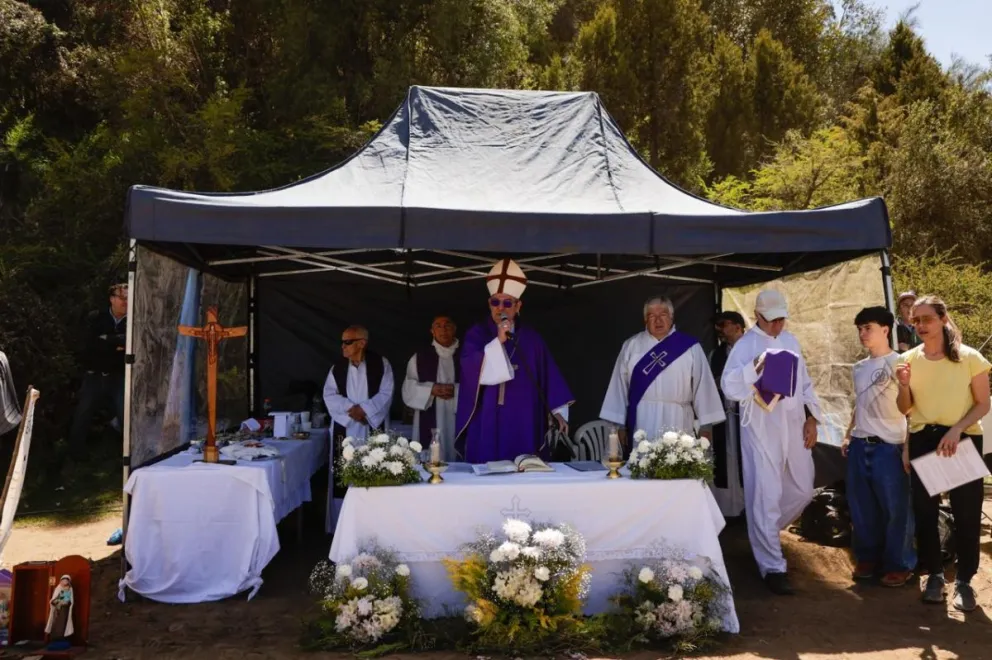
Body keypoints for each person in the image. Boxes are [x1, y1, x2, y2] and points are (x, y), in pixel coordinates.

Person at [721, 289, 822, 596]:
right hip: (761, 428)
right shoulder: (745, 345)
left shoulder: (790, 341)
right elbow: (728, 386)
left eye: (782, 318)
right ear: (758, 316)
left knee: (803, 488)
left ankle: (762, 530)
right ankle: (772, 566)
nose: (779, 325)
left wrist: (812, 418)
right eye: (773, 319)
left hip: (792, 424)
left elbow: (804, 382)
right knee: (765, 493)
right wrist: (754, 368)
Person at [896, 295, 990, 611]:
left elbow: (983, 404)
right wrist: (903, 386)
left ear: (943, 319)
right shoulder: (907, 359)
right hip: (923, 440)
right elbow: (905, 409)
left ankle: (964, 582)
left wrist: (955, 430)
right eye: (916, 319)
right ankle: (934, 576)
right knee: (925, 513)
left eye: (927, 319)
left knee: (966, 514)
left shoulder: (969, 358)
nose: (920, 325)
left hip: (960, 439)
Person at [454, 258, 572, 463]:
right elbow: (469, 369)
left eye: (507, 302)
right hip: (487, 418)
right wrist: (498, 342)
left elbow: (549, 377)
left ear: (518, 306)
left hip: (524, 419)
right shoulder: (477, 334)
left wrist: (558, 412)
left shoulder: (532, 339)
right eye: (495, 302)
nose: (500, 308)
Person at [841, 306, 915, 587]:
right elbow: (858, 404)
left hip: (891, 446)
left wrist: (907, 447)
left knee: (896, 509)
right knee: (861, 507)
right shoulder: (858, 368)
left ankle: (899, 563)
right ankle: (867, 558)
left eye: (867, 328)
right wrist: (848, 435)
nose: (862, 334)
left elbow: (912, 410)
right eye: (859, 328)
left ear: (886, 329)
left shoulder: (903, 362)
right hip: (860, 444)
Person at [599, 296, 725, 454]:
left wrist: (705, 426)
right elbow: (619, 387)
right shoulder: (632, 346)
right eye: (652, 316)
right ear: (645, 319)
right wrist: (620, 425)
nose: (658, 320)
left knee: (677, 466)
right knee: (643, 465)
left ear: (671, 317)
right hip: (642, 419)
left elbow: (703, 385)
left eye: (663, 315)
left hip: (678, 419)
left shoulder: (689, 347)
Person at [322, 325, 394, 530]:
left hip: (371, 425)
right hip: (346, 427)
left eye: (347, 342)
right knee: (342, 476)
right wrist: (351, 410)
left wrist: (366, 410)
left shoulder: (381, 364)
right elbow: (329, 394)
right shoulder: (337, 367)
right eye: (342, 342)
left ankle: (374, 525)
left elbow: (386, 392)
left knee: (375, 470)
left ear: (362, 342)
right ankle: (341, 527)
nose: (342, 346)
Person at [67, 284, 127, 460]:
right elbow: (89, 345)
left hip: (119, 376)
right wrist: (115, 344)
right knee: (83, 413)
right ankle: (73, 457)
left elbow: (132, 343)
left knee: (125, 414)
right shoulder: (96, 318)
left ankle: (128, 457)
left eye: (128, 298)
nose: (125, 302)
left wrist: (108, 340)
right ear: (111, 299)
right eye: (121, 297)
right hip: (95, 375)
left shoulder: (133, 321)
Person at [402, 315, 460, 459]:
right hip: (431, 411)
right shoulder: (419, 358)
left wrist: (457, 391)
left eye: (447, 325)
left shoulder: (467, 355)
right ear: (432, 331)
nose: (443, 330)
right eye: (438, 326)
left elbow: (479, 387)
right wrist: (431, 390)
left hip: (458, 411)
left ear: (454, 329)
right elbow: (408, 388)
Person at [710, 311, 747, 517]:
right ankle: (729, 510)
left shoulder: (752, 349)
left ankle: (749, 507)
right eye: (718, 326)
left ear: (738, 325)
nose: (720, 330)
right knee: (727, 460)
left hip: (749, 417)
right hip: (725, 416)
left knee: (748, 460)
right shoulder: (716, 354)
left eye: (723, 325)